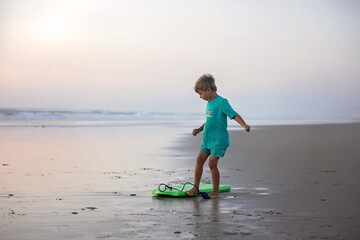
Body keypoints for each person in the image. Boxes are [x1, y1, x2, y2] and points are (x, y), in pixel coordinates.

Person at [186, 73, 250, 199]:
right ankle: (195, 187)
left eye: (201, 93)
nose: (200, 97)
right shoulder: (208, 103)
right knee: (199, 161)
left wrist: (244, 125)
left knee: (211, 164)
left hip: (218, 141)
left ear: (208, 90)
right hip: (207, 139)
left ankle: (215, 191)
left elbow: (234, 114)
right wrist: (199, 130)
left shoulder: (222, 102)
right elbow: (209, 121)